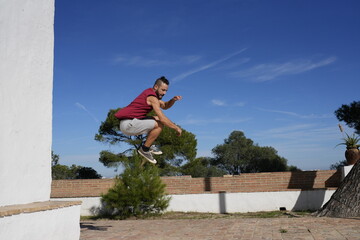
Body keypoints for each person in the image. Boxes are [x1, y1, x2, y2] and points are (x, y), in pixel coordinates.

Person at [114, 76, 182, 164]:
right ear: (156, 87)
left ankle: (149, 145)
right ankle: (145, 149)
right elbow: (162, 118)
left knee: (157, 119)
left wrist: (173, 100)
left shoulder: (152, 95)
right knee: (159, 123)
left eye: (166, 91)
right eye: (163, 90)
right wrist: (176, 128)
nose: (164, 93)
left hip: (130, 122)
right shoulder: (152, 98)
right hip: (128, 124)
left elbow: (165, 105)